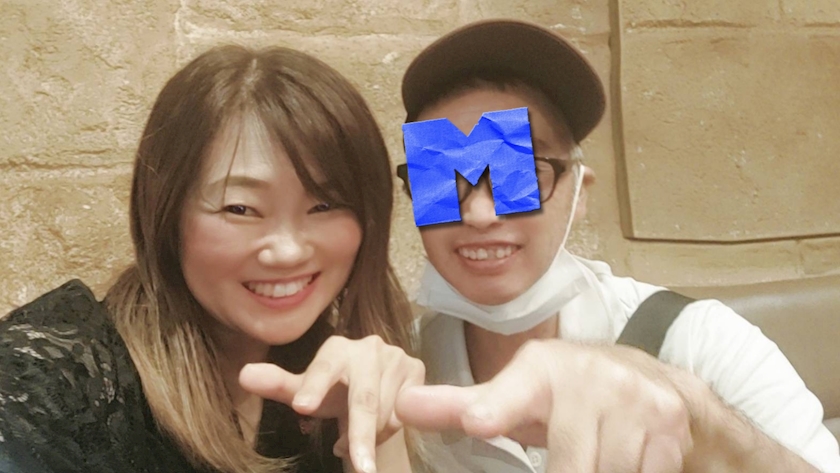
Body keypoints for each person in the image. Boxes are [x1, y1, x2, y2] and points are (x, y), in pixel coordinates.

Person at [391, 19, 840, 473]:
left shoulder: (701, 341)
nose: (479, 214)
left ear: (579, 193)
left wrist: (702, 424)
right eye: (440, 178)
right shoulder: (399, 367)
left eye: (516, 173)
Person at [0, 45, 424, 473]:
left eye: (324, 205)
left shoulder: (342, 368)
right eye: (239, 208)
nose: (288, 251)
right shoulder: (49, 383)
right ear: (165, 216)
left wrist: (378, 434)